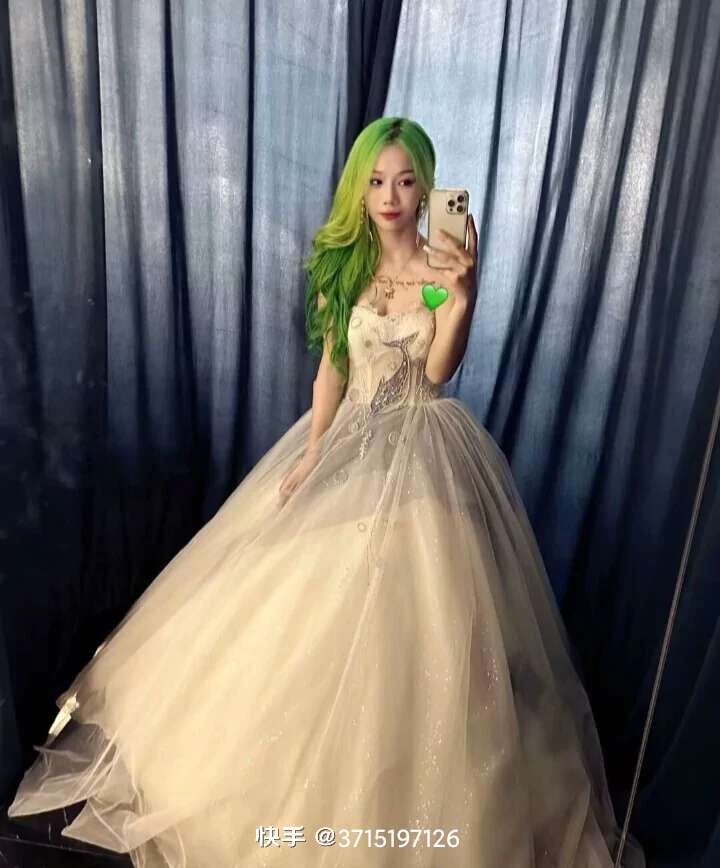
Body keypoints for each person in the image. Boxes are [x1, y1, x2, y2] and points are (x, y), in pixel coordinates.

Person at [6, 116, 645, 868]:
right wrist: (312, 454)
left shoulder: (439, 274)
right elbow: (332, 373)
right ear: (360, 190)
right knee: (293, 602)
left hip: (424, 448)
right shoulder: (347, 272)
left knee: (428, 604)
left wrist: (462, 297)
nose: (391, 195)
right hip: (352, 446)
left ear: (427, 188)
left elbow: (437, 372)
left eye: (405, 181)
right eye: (376, 181)